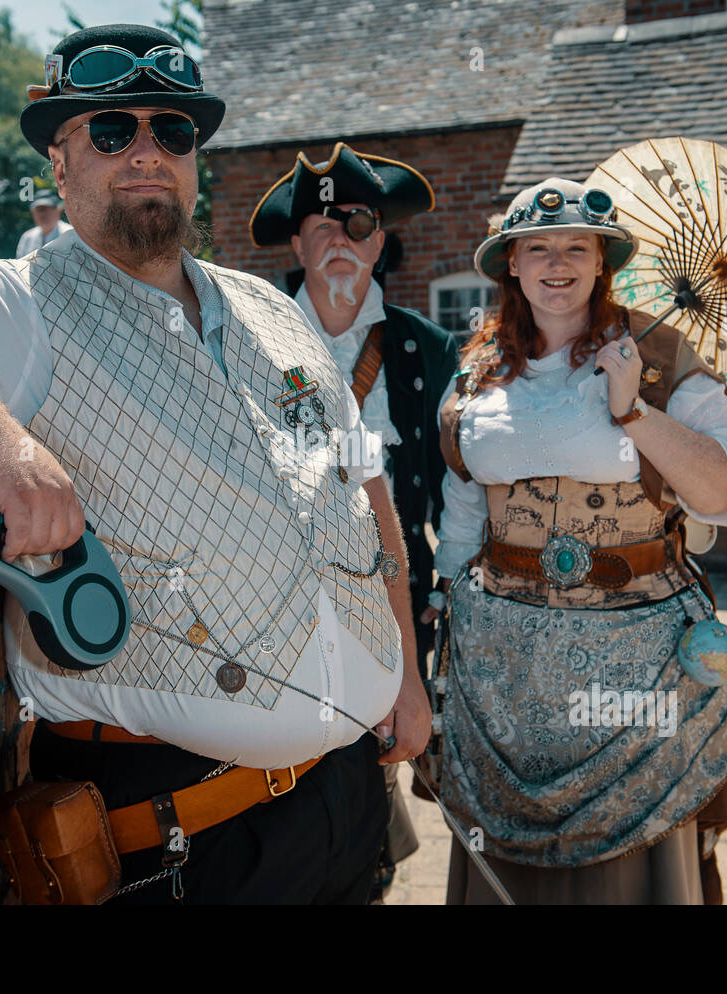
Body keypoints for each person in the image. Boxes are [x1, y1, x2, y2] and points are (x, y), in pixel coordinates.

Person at [0, 23, 430, 905]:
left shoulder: (274, 307)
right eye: (113, 131)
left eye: (173, 132)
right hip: (186, 838)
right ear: (60, 165)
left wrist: (405, 668)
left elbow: (362, 486)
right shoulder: (13, 304)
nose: (148, 152)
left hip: (346, 797)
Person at [429, 177, 727, 904]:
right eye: (538, 249)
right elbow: (463, 503)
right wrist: (445, 601)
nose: (557, 263)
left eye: (576, 249)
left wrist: (633, 411)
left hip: (636, 661)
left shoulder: (658, 357)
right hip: (504, 666)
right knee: (508, 853)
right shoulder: (477, 374)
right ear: (511, 265)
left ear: (601, 262)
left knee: (626, 870)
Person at [249, 142, 460, 900]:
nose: (340, 238)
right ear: (297, 242)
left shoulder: (426, 351)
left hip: (393, 605)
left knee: (370, 780)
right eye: (321, 225)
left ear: (380, 239)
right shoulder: (243, 332)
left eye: (358, 221)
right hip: (272, 604)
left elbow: (449, 497)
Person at [15, 190, 73, 257]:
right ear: (33, 212)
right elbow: (20, 265)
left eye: (46, 209)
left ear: (59, 210)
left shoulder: (71, 235)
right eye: (39, 210)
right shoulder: (27, 237)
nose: (42, 214)